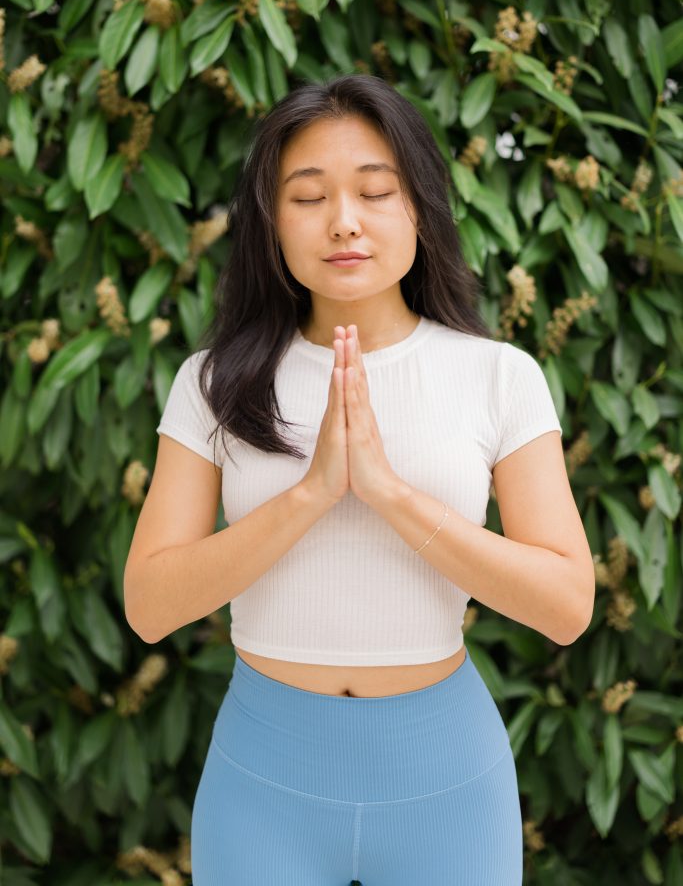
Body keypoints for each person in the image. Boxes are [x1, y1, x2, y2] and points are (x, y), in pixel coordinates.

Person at [124, 74, 594, 885]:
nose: (343, 220)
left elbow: (565, 606)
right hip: (262, 781)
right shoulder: (212, 383)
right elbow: (149, 607)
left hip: (446, 782)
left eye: (375, 191)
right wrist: (310, 496)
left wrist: (386, 493)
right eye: (307, 197)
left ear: (419, 207)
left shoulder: (496, 376)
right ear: (271, 222)